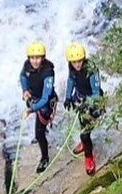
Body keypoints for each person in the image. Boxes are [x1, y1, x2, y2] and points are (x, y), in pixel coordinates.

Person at [63, 42, 103, 176]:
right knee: (82, 125)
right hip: (80, 99)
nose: (77, 64)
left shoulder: (91, 69)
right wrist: (68, 97)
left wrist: (88, 104)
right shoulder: (72, 68)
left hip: (93, 102)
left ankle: (89, 157)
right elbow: (71, 80)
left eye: (79, 61)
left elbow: (96, 92)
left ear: (84, 59)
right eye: (74, 62)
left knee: (85, 133)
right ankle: (85, 143)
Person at [19, 41, 58, 173]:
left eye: (38, 58)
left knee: (39, 134)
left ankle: (45, 158)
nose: (35, 61)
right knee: (40, 129)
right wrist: (25, 90)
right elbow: (23, 76)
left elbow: (45, 98)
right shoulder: (27, 65)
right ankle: (44, 131)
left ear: (43, 58)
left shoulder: (48, 72)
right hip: (34, 98)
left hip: (45, 104)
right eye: (32, 58)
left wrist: (30, 110)